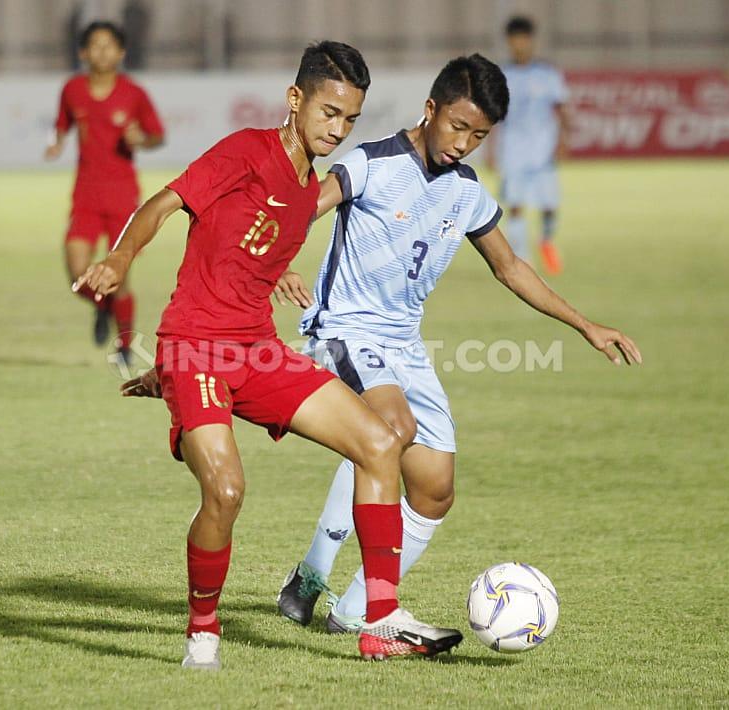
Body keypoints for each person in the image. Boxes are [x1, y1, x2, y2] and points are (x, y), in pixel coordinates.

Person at [74, 41, 463, 671]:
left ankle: (381, 619)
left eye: (349, 119)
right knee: (226, 491)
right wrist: (120, 259)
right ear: (295, 100)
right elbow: (165, 203)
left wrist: (168, 373)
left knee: (380, 442)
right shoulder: (246, 151)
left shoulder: (311, 191)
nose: (337, 129)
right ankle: (204, 628)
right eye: (328, 112)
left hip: (255, 352)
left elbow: (246, 265)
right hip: (197, 348)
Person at [269, 54, 641, 633]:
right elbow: (302, 211)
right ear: (430, 109)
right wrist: (276, 265)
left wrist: (585, 323)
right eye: (457, 126)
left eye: (479, 135)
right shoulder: (372, 164)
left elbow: (511, 267)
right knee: (392, 433)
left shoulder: (467, 192)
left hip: (403, 346)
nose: (464, 143)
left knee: (437, 488)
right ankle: (313, 577)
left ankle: (356, 607)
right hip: (344, 330)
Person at [47, 20, 164, 355]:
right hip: (85, 193)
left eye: (108, 44)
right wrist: (54, 142)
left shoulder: (134, 93)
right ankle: (104, 306)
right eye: (94, 45)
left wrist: (140, 138)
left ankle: (125, 344)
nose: (101, 50)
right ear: (83, 52)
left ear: (121, 51)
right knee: (76, 271)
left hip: (122, 195)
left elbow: (156, 135)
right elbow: (61, 124)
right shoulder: (72, 89)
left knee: (118, 274)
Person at [496, 16, 570, 275]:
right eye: (514, 41)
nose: (519, 46)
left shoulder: (547, 73)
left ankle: (546, 241)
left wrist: (563, 140)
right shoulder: (502, 75)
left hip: (542, 150)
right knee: (515, 205)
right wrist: (492, 149)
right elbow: (494, 115)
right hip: (513, 151)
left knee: (550, 207)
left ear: (531, 41)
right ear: (509, 43)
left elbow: (561, 109)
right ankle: (523, 258)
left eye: (523, 40)